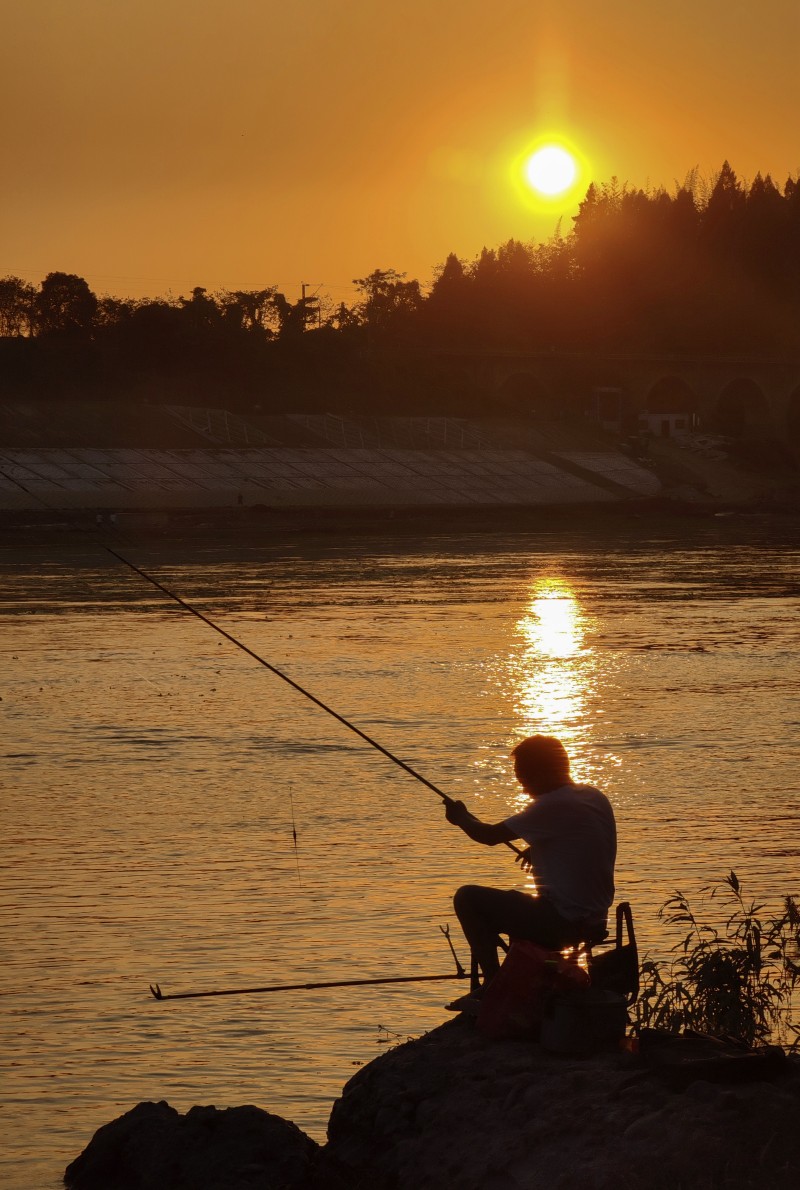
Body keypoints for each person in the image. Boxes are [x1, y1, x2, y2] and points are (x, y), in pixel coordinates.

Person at [443, 734, 616, 1009]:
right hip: (594, 920)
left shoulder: (552, 805)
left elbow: (487, 836)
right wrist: (539, 848)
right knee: (516, 902)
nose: (523, 788)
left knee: (468, 898)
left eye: (524, 778)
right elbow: (583, 839)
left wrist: (461, 818)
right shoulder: (593, 797)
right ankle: (518, 982)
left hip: (563, 922)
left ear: (543, 772)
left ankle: (493, 987)